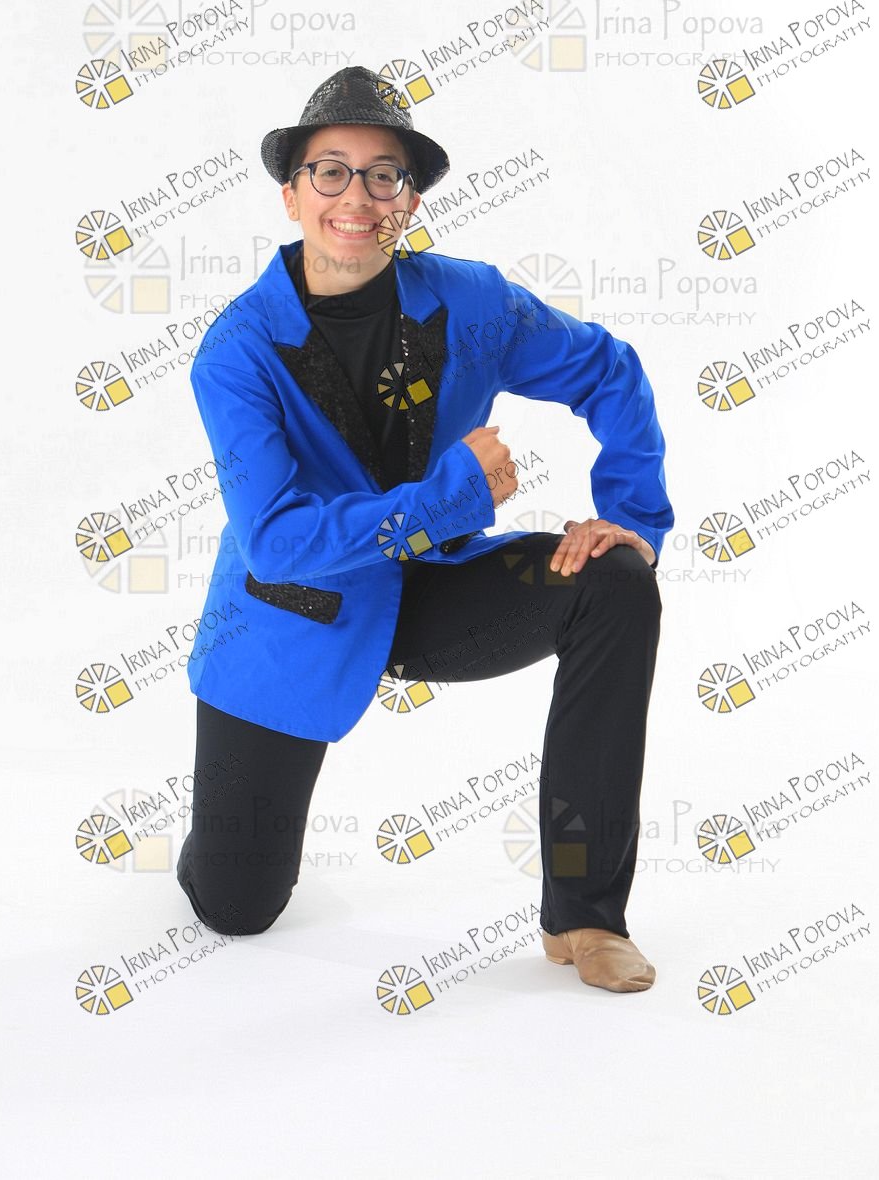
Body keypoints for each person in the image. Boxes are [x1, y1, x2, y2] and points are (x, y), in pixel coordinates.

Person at [176, 65, 674, 993]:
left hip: (434, 595)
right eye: (331, 171)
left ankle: (586, 915)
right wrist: (451, 497)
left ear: (409, 200)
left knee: (614, 587)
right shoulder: (236, 351)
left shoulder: (473, 303)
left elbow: (610, 370)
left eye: (384, 176)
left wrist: (631, 517)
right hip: (295, 613)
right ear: (292, 194)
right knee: (236, 907)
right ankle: (213, 840)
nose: (357, 198)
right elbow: (277, 538)